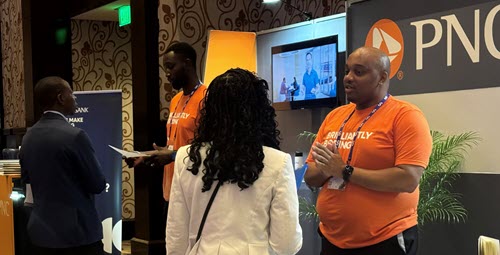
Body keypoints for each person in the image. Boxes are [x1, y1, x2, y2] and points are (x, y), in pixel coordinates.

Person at [304, 46, 432, 255]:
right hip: (332, 239)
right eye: (347, 71)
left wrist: (345, 171)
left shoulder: (405, 116)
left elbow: (408, 179)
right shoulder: (334, 117)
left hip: (384, 240)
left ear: (382, 77)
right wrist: (327, 169)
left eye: (359, 72)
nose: (348, 78)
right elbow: (310, 176)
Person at [166, 68, 303, 255]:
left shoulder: (186, 158)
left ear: (210, 109)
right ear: (259, 110)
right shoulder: (278, 162)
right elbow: (286, 243)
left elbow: (176, 233)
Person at [19, 76, 106, 255]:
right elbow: (97, 184)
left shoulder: (28, 137)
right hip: (76, 234)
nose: (75, 98)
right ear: (60, 98)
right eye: (71, 93)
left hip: (40, 233)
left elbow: (27, 178)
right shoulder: (75, 136)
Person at [125, 42, 207, 221]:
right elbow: (175, 145)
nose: (167, 73)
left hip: (193, 191)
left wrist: (170, 156)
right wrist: (147, 155)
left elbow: (208, 149)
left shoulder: (207, 98)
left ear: (187, 63)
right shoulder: (176, 99)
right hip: (170, 190)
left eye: (171, 67)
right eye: (165, 68)